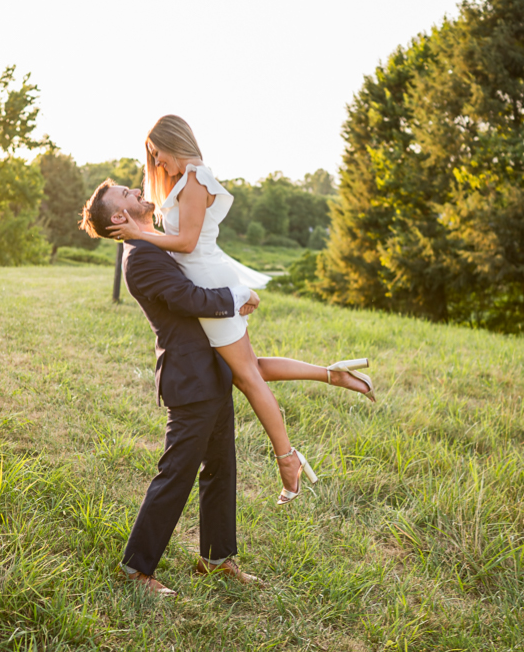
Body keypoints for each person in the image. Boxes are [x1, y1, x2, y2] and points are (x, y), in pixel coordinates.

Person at [106, 115, 375, 505]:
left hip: (209, 280)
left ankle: (287, 459)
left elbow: (186, 243)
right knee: (249, 366)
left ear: (175, 142)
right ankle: (332, 374)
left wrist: (138, 233)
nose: (158, 163)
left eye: (158, 153)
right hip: (209, 277)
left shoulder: (196, 179)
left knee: (247, 375)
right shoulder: (189, 179)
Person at [79, 180, 261, 596]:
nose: (137, 191)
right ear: (120, 217)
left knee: (221, 466)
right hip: (190, 377)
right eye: (127, 194)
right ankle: (135, 569)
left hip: (212, 369)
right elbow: (187, 297)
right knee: (176, 473)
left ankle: (215, 559)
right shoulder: (140, 257)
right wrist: (236, 297)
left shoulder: (154, 242)